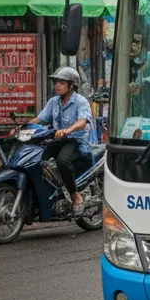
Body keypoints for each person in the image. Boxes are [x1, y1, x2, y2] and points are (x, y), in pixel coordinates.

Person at [31, 67, 94, 211]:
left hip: (76, 141)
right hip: (57, 140)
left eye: (61, 83)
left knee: (62, 161)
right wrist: (21, 127)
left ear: (71, 85)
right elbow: (41, 119)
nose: (57, 86)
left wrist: (68, 130)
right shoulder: (54, 102)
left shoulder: (81, 101)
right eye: (55, 83)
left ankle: (75, 195)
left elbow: (83, 121)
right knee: (36, 159)